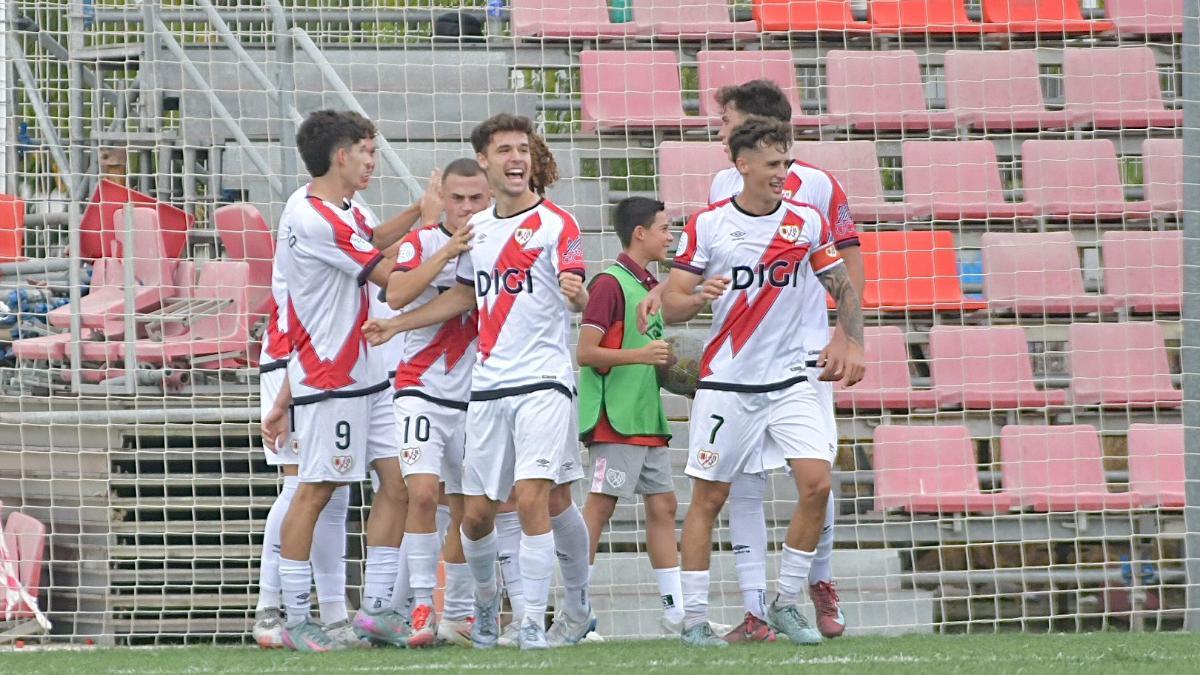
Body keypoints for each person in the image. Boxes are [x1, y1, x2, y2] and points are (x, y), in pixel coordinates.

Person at [644, 79, 863, 642]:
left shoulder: (807, 219)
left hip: (792, 379)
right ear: (741, 164)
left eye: (786, 162)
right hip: (729, 384)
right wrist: (695, 299)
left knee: (816, 484)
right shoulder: (709, 224)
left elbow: (844, 283)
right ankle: (695, 618)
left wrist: (851, 338)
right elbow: (671, 302)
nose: (782, 173)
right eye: (771, 164)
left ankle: (788, 600)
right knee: (710, 497)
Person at [362, 114, 591, 651]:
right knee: (478, 514)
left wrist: (576, 294)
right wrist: (396, 324)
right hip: (485, 388)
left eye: (523, 148)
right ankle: (484, 608)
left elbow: (578, 292)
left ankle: (535, 619)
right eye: (504, 149)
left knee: (534, 498)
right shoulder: (477, 232)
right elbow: (465, 296)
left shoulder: (559, 224)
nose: (516, 157)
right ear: (485, 163)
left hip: (543, 381)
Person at [259, 110, 410, 652]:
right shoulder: (312, 217)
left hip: (369, 376)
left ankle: (374, 612)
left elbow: (371, 238)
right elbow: (393, 280)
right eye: (366, 152)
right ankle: (293, 615)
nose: (373, 161)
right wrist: (442, 236)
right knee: (316, 489)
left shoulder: (346, 207)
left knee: (399, 483)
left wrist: (421, 215)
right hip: (331, 377)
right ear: (340, 155)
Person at [362, 158, 490, 647]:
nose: (465, 208)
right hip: (420, 387)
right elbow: (395, 293)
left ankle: (457, 612)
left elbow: (466, 300)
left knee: (470, 509)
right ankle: (420, 606)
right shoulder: (421, 242)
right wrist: (448, 249)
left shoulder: (498, 243)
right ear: (444, 199)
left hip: (478, 391)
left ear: (489, 198)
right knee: (421, 494)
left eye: (475, 199)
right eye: (456, 199)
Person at [574, 197, 685, 635]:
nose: (670, 235)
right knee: (600, 508)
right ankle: (576, 611)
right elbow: (584, 352)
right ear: (640, 232)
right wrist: (642, 355)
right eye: (664, 227)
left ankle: (675, 613)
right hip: (614, 419)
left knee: (664, 505)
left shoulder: (649, 284)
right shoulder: (609, 284)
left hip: (646, 417)